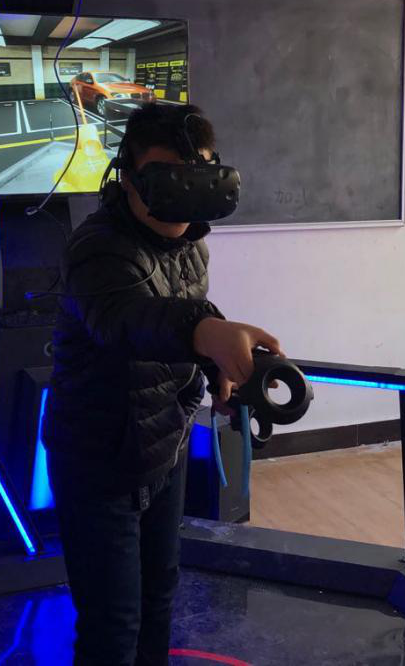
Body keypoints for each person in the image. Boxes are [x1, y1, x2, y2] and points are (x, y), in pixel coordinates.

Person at [43, 102, 282, 666]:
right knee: (112, 628)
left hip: (164, 450)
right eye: (166, 174)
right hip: (99, 463)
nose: (183, 190)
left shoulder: (192, 245)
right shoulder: (97, 248)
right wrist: (208, 330)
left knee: (158, 601)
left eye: (196, 173)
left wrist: (214, 366)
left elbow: (176, 323)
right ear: (127, 179)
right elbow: (129, 320)